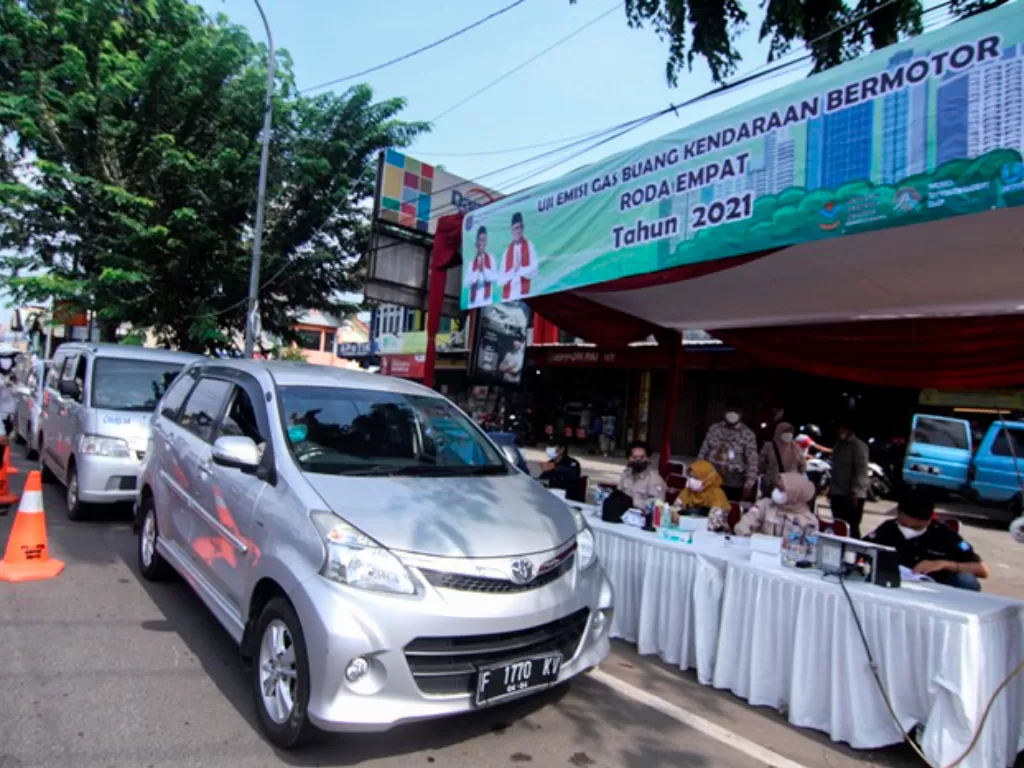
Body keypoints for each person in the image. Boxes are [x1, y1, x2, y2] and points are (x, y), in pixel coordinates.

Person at [864, 489, 989, 591]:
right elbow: (861, 548)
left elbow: (981, 570)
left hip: (936, 590)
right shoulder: (888, 528)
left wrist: (944, 564)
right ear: (898, 514)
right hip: (892, 585)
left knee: (966, 580)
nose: (908, 530)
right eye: (904, 525)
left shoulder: (944, 535)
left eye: (916, 527)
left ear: (929, 520)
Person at [698, 396, 758, 502]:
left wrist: (749, 484)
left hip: (734, 481)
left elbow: (752, 461)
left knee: (729, 512)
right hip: (711, 478)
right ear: (725, 411)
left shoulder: (747, 434)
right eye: (729, 410)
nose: (732, 414)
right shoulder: (715, 429)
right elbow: (703, 452)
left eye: (736, 411)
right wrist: (698, 472)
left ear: (741, 414)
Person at [734, 472, 819, 539]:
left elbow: (810, 549)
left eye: (781, 489)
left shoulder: (809, 521)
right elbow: (741, 525)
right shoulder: (764, 505)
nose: (776, 492)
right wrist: (752, 537)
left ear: (794, 494)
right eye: (776, 487)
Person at [829, 416, 870, 538]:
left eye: (843, 429)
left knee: (852, 526)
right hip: (838, 491)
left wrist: (855, 492)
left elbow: (861, 470)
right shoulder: (838, 446)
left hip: (852, 494)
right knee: (838, 524)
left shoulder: (858, 446)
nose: (840, 431)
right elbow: (835, 469)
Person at [758, 422, 807, 496]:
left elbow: (803, 467)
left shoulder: (796, 448)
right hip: (771, 486)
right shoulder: (769, 446)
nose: (789, 434)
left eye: (790, 432)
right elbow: (760, 464)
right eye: (786, 432)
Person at [500, 212, 539, 301]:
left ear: (523, 228)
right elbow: (500, 279)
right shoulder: (507, 251)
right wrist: (514, 271)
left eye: (519, 227)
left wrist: (519, 270)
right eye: (515, 228)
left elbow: (535, 270)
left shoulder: (529, 245)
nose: (517, 231)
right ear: (511, 230)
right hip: (508, 299)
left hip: (525, 298)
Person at [619, 440, 666, 509]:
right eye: (634, 457)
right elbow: (618, 494)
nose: (638, 460)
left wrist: (632, 502)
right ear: (628, 459)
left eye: (642, 457)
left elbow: (658, 505)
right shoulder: (625, 474)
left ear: (648, 458)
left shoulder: (655, 479)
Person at [467, 226, 495, 307]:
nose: (482, 243)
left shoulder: (491, 258)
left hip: (487, 301)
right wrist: (477, 273)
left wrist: (484, 271)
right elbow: (467, 282)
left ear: (486, 242)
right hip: (473, 302)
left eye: (484, 240)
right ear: (477, 242)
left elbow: (495, 277)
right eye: (480, 240)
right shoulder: (471, 262)